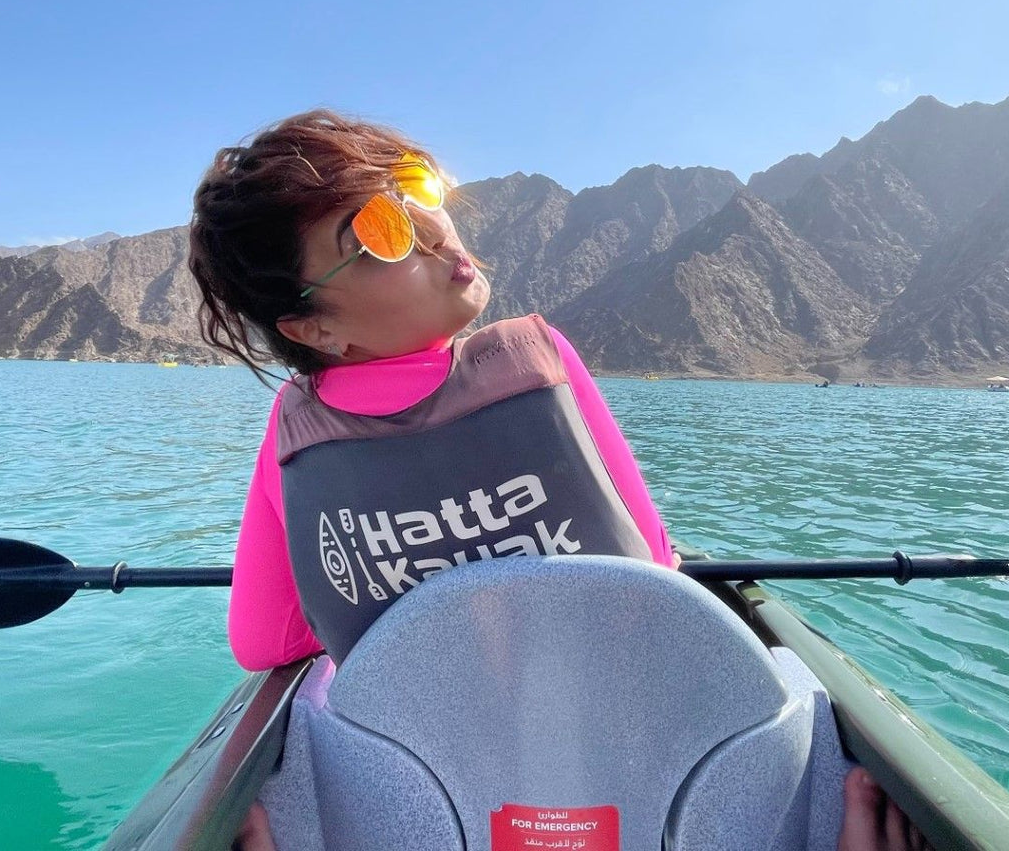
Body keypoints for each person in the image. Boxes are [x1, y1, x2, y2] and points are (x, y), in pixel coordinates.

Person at [189, 109, 929, 851]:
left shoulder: (295, 430)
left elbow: (264, 643)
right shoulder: (534, 363)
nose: (435, 227)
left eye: (419, 189)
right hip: (634, 778)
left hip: (422, 802)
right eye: (382, 231)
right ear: (312, 327)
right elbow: (652, 565)